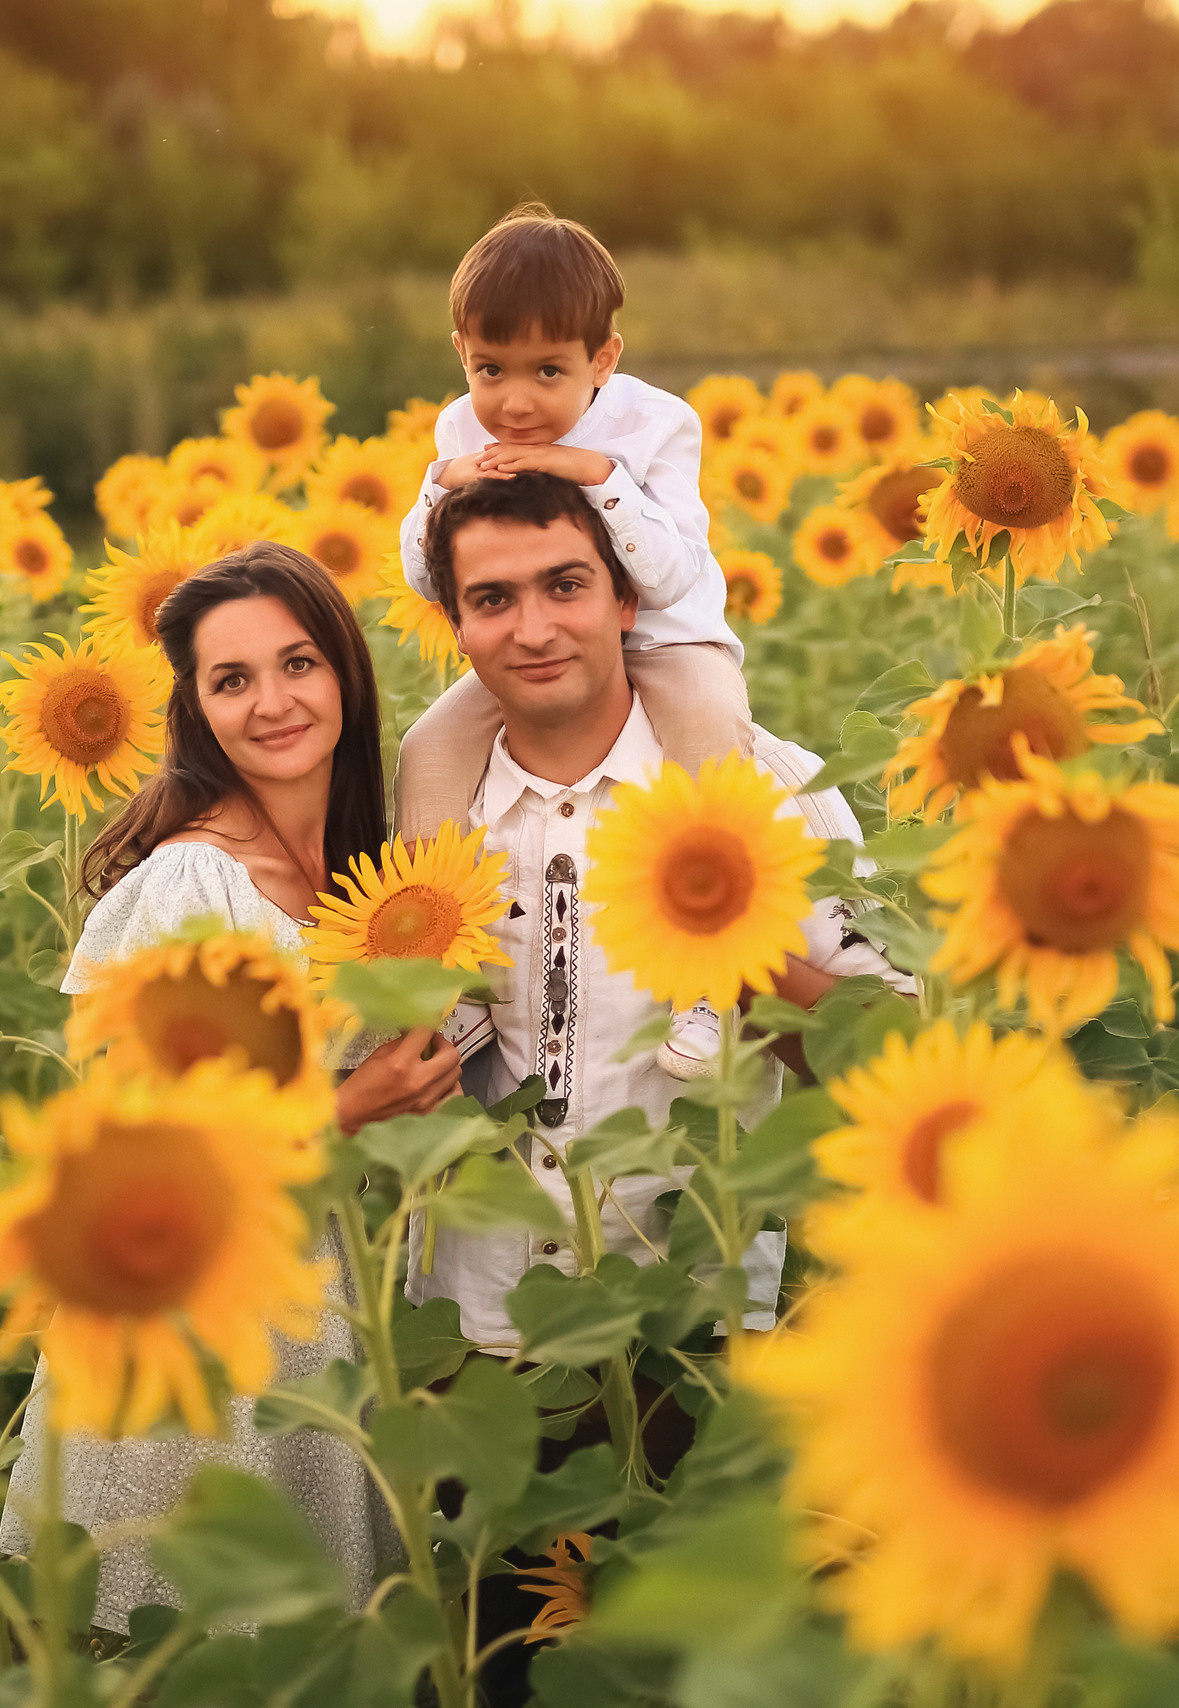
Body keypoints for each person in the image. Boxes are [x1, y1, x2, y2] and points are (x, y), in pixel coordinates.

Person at [396, 472, 907, 1701]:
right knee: (509, 1660)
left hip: (695, 1317)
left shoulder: (764, 788)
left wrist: (745, 941)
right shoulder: (428, 815)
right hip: (480, 1327)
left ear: (625, 598)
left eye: (565, 585)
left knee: (701, 1664)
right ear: (455, 625)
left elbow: (884, 1050)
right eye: (492, 599)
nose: (533, 626)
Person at [0, 543, 462, 1635]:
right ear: (197, 710)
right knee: (195, 1642)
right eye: (232, 679)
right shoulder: (195, 880)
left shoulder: (366, 872)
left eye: (298, 663)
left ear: (345, 670)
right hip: (197, 1319)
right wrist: (351, 1106)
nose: (273, 702)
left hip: (317, 1301)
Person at [394, 204, 758, 1079]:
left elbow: (669, 574)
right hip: (539, 649)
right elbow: (424, 575)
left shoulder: (656, 427)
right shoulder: (462, 429)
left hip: (668, 644)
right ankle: (445, 977)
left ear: (604, 359)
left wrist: (596, 475)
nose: (516, 402)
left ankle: (710, 973)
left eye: (548, 371)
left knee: (714, 733)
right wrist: (441, 486)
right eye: (491, 369)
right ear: (461, 352)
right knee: (428, 749)